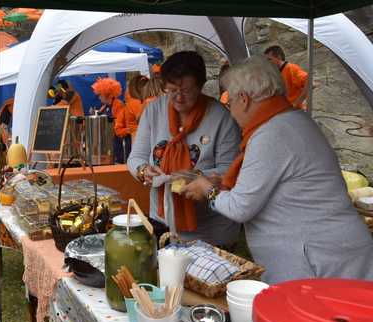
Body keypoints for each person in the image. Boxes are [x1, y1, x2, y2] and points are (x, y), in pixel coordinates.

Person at [182, 56, 373, 283]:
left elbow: (240, 208)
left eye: (229, 103)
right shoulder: (293, 120)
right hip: (331, 248)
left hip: (318, 256)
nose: (230, 111)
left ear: (243, 99)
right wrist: (222, 182)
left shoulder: (271, 134)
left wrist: (208, 190)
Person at [128, 51, 241, 246]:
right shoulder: (154, 111)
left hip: (210, 229)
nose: (178, 98)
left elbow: (230, 171)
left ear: (201, 85)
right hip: (163, 222)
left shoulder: (221, 118)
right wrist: (143, 170)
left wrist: (193, 176)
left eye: (186, 91)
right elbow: (136, 157)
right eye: (172, 90)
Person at [93, 77, 129, 164]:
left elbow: (119, 124)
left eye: (100, 95)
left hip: (118, 141)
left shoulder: (118, 105)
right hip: (109, 140)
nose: (99, 98)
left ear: (107, 94)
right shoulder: (104, 106)